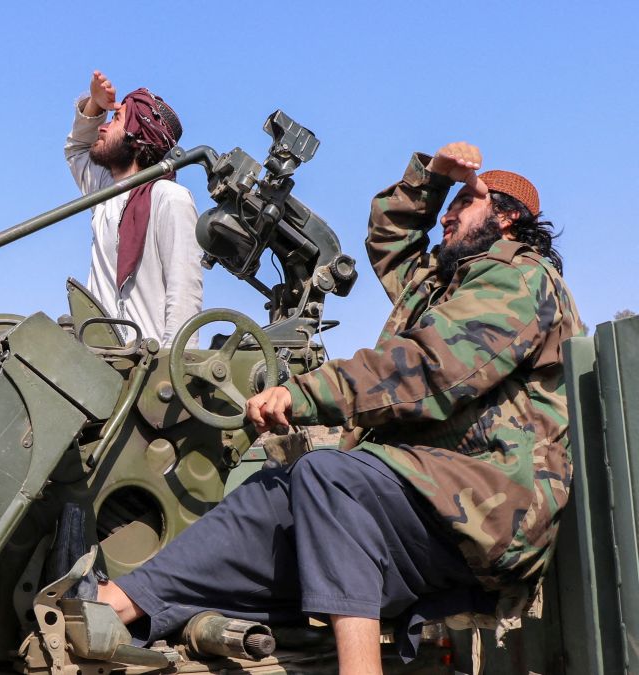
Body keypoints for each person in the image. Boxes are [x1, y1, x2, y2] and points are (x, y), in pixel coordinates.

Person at [94, 141, 584, 673]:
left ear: (507, 218)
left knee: (331, 478)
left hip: (490, 508)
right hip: (428, 495)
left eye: (464, 203)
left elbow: (429, 367)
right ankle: (115, 604)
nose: (448, 214)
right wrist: (434, 177)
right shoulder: (443, 283)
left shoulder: (521, 278)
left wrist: (304, 394)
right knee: (273, 494)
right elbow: (390, 239)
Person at [65, 71, 203, 347]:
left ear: (136, 137)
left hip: (145, 369)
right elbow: (77, 150)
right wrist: (95, 104)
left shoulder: (169, 198)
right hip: (99, 362)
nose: (102, 127)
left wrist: (171, 371)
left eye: (115, 119)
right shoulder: (104, 192)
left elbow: (184, 292)